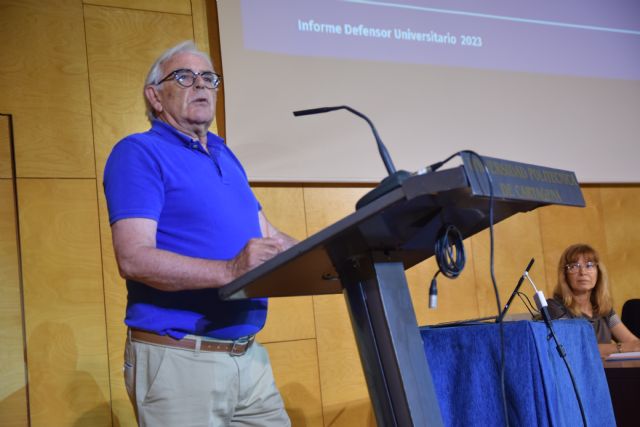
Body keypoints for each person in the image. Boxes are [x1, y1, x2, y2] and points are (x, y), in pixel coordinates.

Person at [103, 40, 297, 426]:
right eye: (184, 77)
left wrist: (336, 251)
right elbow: (133, 258)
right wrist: (229, 271)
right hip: (180, 359)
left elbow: (268, 234)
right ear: (155, 96)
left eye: (209, 78)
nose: (201, 85)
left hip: (248, 357)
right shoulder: (139, 152)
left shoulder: (224, 155)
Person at [547, 243, 640, 358]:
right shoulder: (554, 307)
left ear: (598, 272)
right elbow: (575, 347)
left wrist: (632, 346)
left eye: (589, 265)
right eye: (574, 266)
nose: (583, 272)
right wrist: (621, 348)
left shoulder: (604, 309)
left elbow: (633, 343)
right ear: (565, 274)